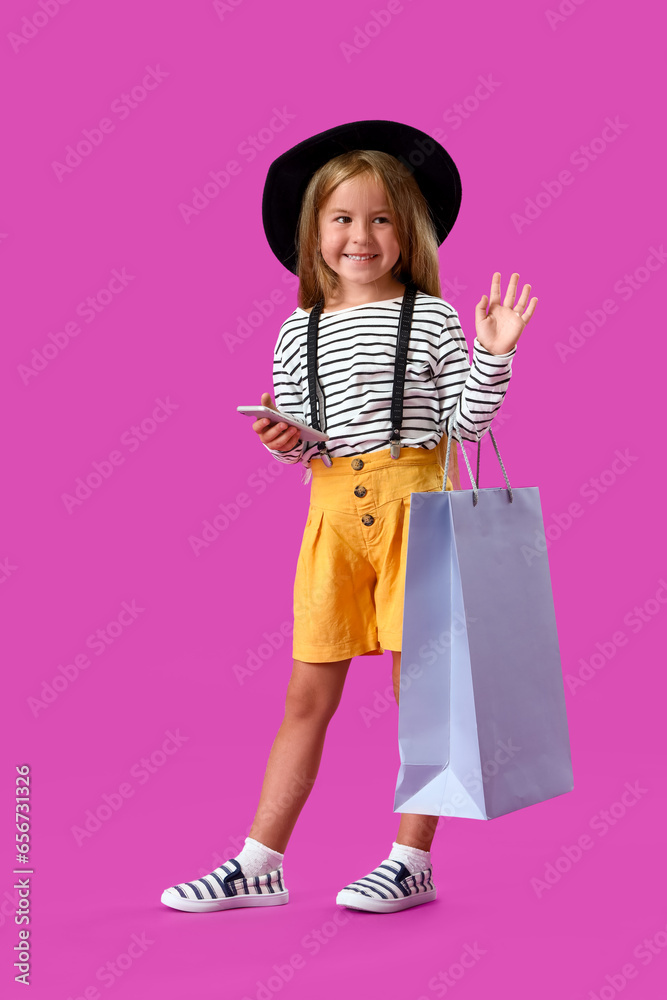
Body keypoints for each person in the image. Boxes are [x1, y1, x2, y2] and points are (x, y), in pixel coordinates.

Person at [161, 120, 537, 915]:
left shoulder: (429, 318)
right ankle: (258, 862)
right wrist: (281, 437)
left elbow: (464, 427)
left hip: (417, 514)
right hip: (332, 519)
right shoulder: (298, 329)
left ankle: (410, 860)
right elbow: (309, 442)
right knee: (305, 696)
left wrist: (493, 354)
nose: (359, 235)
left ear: (407, 232)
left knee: (422, 691)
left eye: (379, 219)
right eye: (341, 218)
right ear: (313, 232)